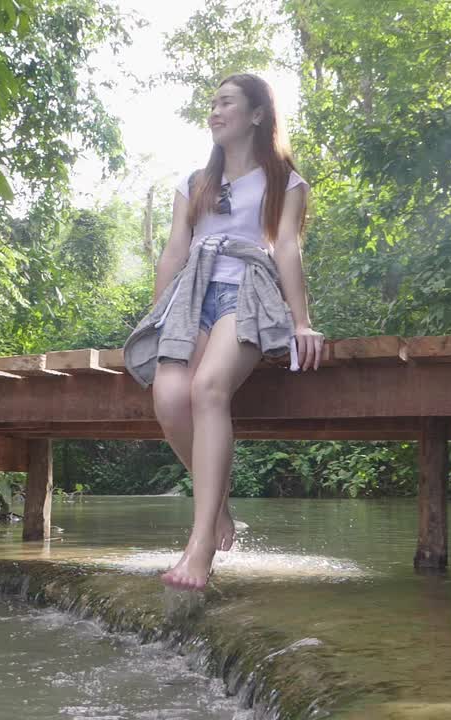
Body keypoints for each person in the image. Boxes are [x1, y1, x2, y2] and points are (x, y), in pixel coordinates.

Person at [123, 73, 324, 591]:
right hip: (191, 297)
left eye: (226, 103)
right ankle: (220, 506)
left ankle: (199, 546)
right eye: (211, 103)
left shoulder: (284, 181)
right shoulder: (194, 183)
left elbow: (285, 249)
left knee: (207, 389)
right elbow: (174, 251)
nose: (214, 111)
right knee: (169, 398)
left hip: (247, 291)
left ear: (257, 114)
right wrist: (158, 314)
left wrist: (301, 321)